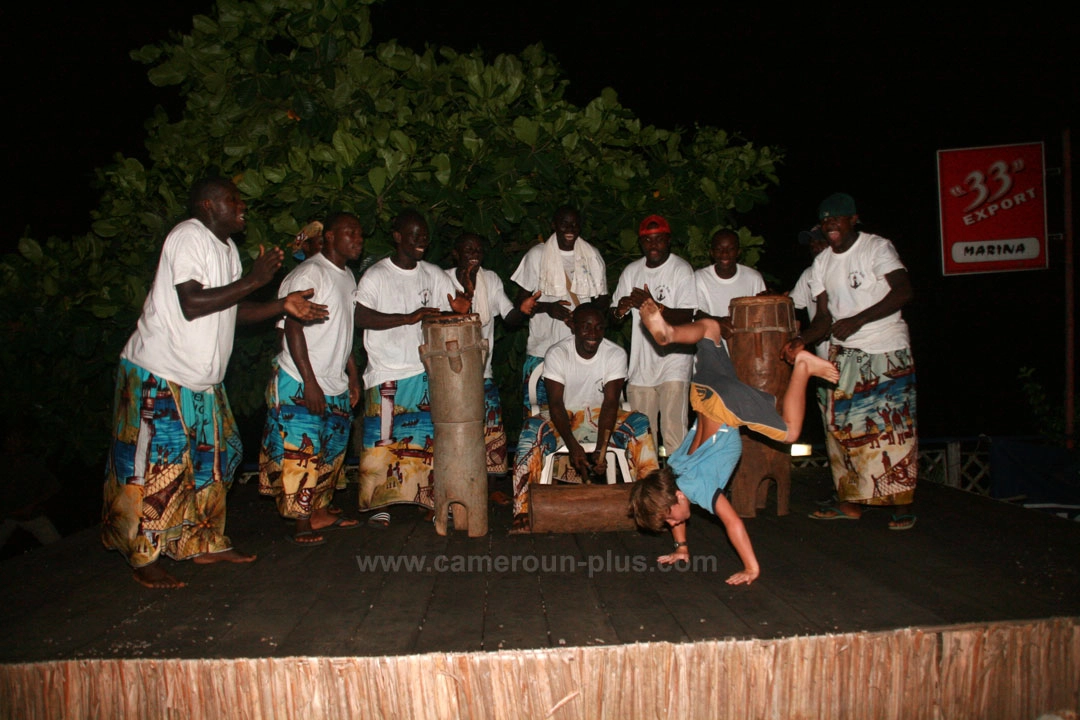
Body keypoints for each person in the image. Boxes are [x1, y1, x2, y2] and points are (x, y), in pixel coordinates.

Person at [102, 177, 329, 589]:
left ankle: (203, 541)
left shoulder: (227, 250)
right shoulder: (188, 235)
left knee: (214, 462)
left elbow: (232, 312)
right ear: (207, 205)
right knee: (158, 468)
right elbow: (191, 302)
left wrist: (281, 304)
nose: (242, 206)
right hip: (161, 370)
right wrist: (258, 281)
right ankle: (143, 556)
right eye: (232, 200)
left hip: (203, 381)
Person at [628, 299, 840, 584]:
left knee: (789, 432)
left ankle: (802, 366)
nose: (674, 523)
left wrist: (751, 568)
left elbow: (733, 522)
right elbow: (675, 509)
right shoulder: (673, 472)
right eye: (671, 523)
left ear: (677, 497)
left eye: (670, 519)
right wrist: (681, 548)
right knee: (711, 328)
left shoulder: (699, 489)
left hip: (727, 406)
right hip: (703, 391)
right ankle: (671, 334)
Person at [782, 192, 918, 530]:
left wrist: (859, 319)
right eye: (825, 220)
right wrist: (801, 341)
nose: (831, 224)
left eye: (837, 218)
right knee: (843, 428)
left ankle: (900, 505)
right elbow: (824, 318)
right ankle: (852, 503)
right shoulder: (822, 263)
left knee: (893, 430)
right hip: (845, 353)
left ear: (853, 219)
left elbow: (903, 292)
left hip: (885, 347)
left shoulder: (876, 248)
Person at [354, 210, 470, 519]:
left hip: (423, 370)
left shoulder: (433, 273)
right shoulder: (377, 275)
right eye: (414, 235)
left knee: (425, 443)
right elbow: (361, 317)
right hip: (387, 370)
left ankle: (430, 502)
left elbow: (453, 310)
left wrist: (460, 306)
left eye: (424, 236)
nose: (421, 241)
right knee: (383, 441)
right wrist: (409, 318)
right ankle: (382, 504)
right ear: (397, 237)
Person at [259, 212, 365, 544]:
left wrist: (352, 374)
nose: (358, 239)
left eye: (360, 234)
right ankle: (301, 522)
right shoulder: (308, 274)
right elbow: (291, 328)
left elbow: (343, 330)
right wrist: (309, 381)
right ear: (330, 237)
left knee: (329, 453)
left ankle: (318, 511)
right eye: (350, 232)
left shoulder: (347, 277)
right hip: (301, 378)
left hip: (332, 378)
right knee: (300, 454)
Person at [512, 305, 659, 527]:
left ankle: (650, 503)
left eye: (599, 328)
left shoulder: (615, 354)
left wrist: (601, 449)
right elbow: (556, 404)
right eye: (586, 327)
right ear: (572, 326)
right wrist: (573, 446)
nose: (593, 334)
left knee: (639, 423)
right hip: (563, 416)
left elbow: (611, 404)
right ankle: (522, 510)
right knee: (530, 429)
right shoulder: (558, 353)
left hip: (601, 417)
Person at [445, 233, 538, 475]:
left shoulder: (491, 280)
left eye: (478, 250)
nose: (474, 255)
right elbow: (432, 322)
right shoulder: (441, 280)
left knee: (490, 433)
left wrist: (523, 309)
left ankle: (489, 486)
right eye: (468, 250)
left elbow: (509, 317)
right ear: (456, 254)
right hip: (447, 374)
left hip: (481, 371)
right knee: (451, 433)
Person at [511, 205, 608, 417]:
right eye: (564, 224)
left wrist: (583, 313)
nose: (569, 229)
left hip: (581, 353)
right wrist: (547, 307)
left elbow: (603, 300)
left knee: (580, 417)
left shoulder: (592, 256)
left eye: (574, 224)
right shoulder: (536, 255)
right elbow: (521, 304)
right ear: (554, 225)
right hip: (542, 351)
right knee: (540, 418)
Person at [611, 214, 696, 453]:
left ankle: (676, 488)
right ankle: (646, 489)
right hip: (641, 367)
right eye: (648, 241)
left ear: (668, 240)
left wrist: (654, 306)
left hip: (674, 361)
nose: (654, 245)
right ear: (641, 243)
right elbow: (613, 316)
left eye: (659, 240)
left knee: (674, 432)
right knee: (641, 438)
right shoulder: (631, 271)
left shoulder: (681, 270)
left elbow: (688, 315)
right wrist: (622, 308)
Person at [694, 229, 766, 339]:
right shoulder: (700, 277)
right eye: (719, 249)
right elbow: (697, 314)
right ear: (711, 252)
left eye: (730, 249)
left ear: (738, 252)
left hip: (745, 345)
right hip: (712, 345)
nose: (724, 254)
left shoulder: (753, 278)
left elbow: (762, 315)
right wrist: (719, 321)